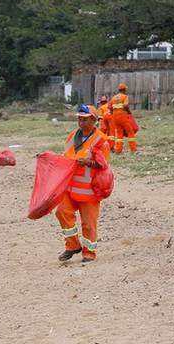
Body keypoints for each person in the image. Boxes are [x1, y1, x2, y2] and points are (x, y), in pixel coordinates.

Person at [56, 104, 110, 263]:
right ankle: (72, 246)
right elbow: (66, 155)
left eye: (84, 119)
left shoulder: (101, 140)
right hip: (70, 186)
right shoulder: (73, 135)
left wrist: (88, 162)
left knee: (88, 223)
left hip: (89, 191)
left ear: (93, 120)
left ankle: (89, 253)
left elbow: (103, 164)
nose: (80, 122)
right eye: (79, 118)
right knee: (62, 212)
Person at [108, 83, 137, 154]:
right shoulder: (125, 97)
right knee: (130, 132)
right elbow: (126, 105)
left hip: (115, 118)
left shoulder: (113, 98)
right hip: (123, 117)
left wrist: (113, 113)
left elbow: (110, 107)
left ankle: (118, 150)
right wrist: (129, 112)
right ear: (124, 90)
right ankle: (133, 150)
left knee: (119, 134)